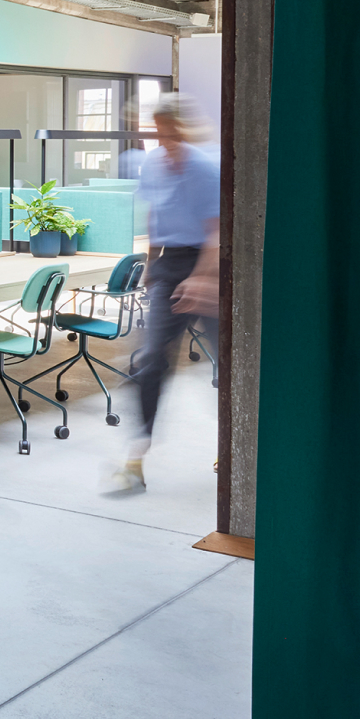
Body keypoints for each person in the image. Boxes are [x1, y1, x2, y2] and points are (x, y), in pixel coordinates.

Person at [114, 95, 219, 493]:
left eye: (170, 132)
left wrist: (203, 280)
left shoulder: (204, 168)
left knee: (227, 367)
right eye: (159, 132)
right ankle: (136, 459)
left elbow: (216, 231)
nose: (164, 140)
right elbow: (155, 216)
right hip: (170, 265)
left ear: (183, 129)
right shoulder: (154, 164)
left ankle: (233, 449)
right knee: (151, 358)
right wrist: (151, 266)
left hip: (209, 264)